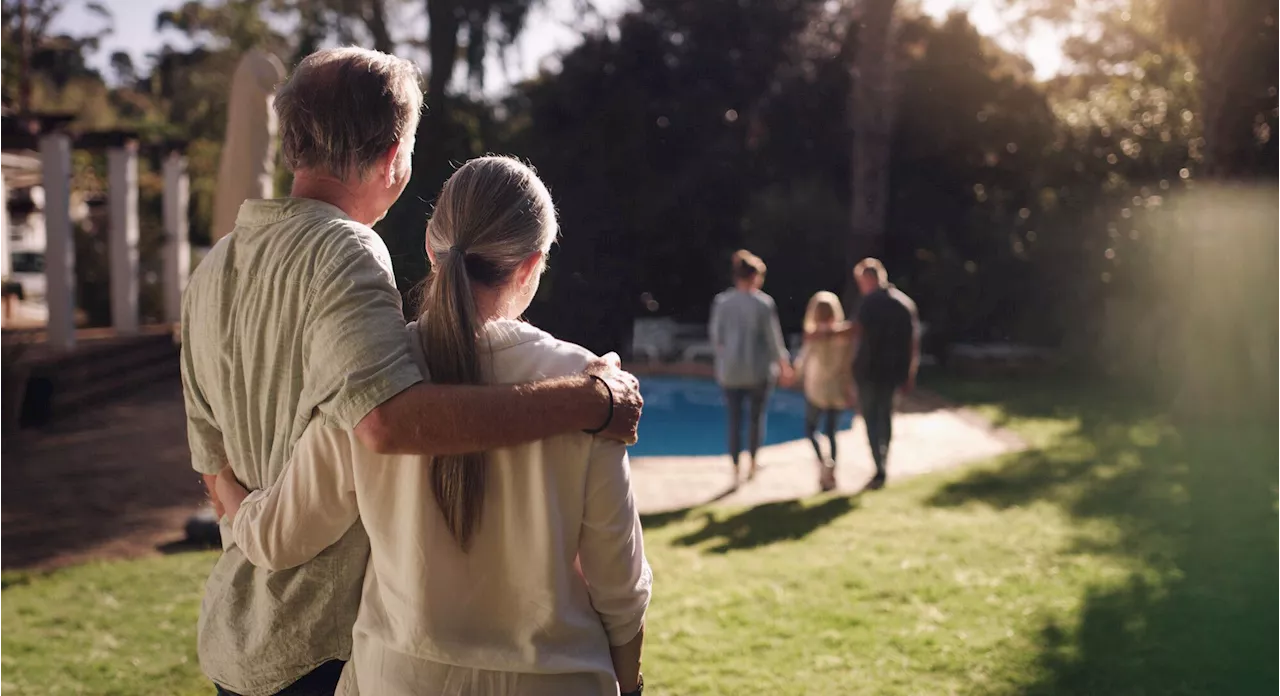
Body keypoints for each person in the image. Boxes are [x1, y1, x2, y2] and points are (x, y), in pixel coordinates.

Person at [180, 49, 642, 696]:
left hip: (241, 635)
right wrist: (586, 403)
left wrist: (237, 519)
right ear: (395, 155)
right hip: (320, 641)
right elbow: (383, 421)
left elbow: (210, 460)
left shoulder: (210, 271)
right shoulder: (347, 250)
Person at [812, 258, 919, 490]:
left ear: (869, 278)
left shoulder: (868, 303)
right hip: (893, 372)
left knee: (871, 419)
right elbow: (913, 344)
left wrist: (827, 332)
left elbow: (853, 330)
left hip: (869, 371)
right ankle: (884, 461)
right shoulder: (904, 304)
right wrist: (911, 372)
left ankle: (878, 466)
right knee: (886, 417)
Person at [709, 250, 793, 483]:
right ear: (755, 276)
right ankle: (753, 463)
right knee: (756, 419)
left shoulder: (722, 303)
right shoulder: (763, 304)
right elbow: (773, 340)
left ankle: (735, 465)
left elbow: (716, 337)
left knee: (734, 420)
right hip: (758, 373)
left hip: (731, 373)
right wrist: (784, 366)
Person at [794, 291, 856, 492]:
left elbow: (803, 360)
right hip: (837, 388)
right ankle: (832, 469)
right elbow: (849, 364)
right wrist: (849, 388)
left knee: (811, 430)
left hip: (817, 388)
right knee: (832, 433)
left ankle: (823, 463)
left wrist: (793, 375)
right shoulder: (844, 335)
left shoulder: (813, 335)